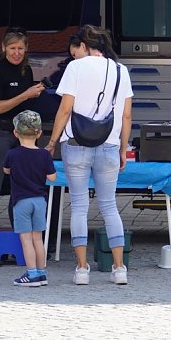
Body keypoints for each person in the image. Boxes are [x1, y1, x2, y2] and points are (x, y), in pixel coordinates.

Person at [46, 25, 133, 285]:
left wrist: (52, 142)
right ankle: (119, 269)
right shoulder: (121, 70)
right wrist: (123, 148)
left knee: (80, 207)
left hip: (75, 144)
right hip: (109, 145)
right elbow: (127, 115)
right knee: (109, 206)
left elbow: (64, 109)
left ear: (84, 45)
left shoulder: (75, 68)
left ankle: (82, 269)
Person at [0, 28, 46, 267]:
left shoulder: (26, 70)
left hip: (22, 137)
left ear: (26, 50)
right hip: (1, 135)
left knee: (22, 192)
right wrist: (26, 94)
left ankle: (24, 246)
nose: (17, 52)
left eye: (21, 48)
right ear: (4, 48)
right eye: (13, 48)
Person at [4, 110, 57, 286]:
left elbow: (6, 170)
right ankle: (42, 273)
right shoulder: (44, 154)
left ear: (15, 133)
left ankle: (31, 274)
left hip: (21, 201)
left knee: (26, 239)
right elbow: (52, 178)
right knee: (38, 239)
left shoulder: (13, 154)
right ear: (39, 133)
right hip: (40, 201)